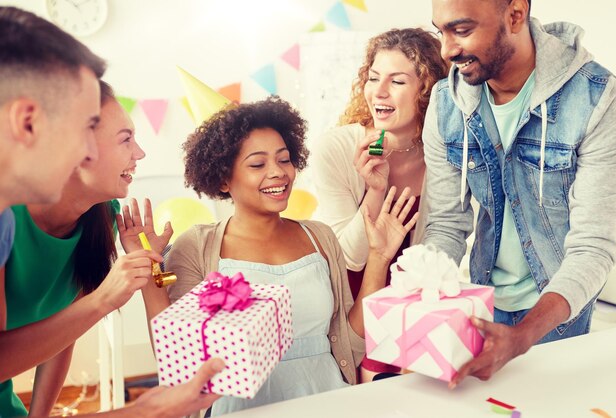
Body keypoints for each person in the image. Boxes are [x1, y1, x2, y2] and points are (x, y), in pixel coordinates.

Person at [0, 6, 223, 417]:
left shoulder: (28, 223)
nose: (84, 151)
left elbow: (58, 333)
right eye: (84, 127)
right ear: (28, 121)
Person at [159, 96, 418, 416]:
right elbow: (181, 355)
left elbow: (351, 338)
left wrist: (379, 257)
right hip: (243, 408)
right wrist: (148, 279)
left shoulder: (320, 236)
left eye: (284, 160)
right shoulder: (196, 246)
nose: (278, 173)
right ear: (223, 178)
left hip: (328, 400)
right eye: (257, 164)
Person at [425, 0, 616, 388]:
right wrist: (419, 309)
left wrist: (522, 337)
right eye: (440, 31)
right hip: (480, 304)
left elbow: (594, 247)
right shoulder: (445, 103)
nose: (447, 51)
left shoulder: (597, 98)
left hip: (558, 311)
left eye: (461, 30)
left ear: (515, 14)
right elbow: (447, 225)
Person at [311, 28, 448, 381]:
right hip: (345, 307)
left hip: (409, 305)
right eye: (373, 78)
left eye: (397, 81)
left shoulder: (442, 155)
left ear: (427, 90)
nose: (379, 92)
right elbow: (349, 258)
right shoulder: (337, 149)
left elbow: (440, 247)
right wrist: (375, 190)